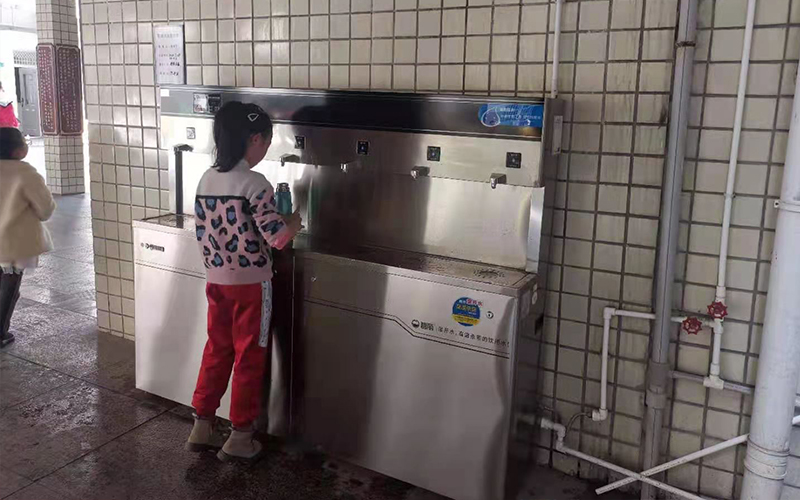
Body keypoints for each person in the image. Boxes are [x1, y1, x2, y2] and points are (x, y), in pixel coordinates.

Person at [186, 102, 302, 462]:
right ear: (254, 139)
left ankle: (202, 425)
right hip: (252, 285)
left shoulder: (206, 179)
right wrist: (295, 222)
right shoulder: (255, 183)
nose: (265, 148)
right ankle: (240, 436)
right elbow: (277, 237)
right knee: (249, 357)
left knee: (217, 349)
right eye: (266, 141)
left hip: (216, 281)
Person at [0, 127, 55, 347]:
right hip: (14, 243)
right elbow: (45, 210)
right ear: (17, 151)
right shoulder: (25, 173)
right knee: (9, 288)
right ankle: (0, 332)